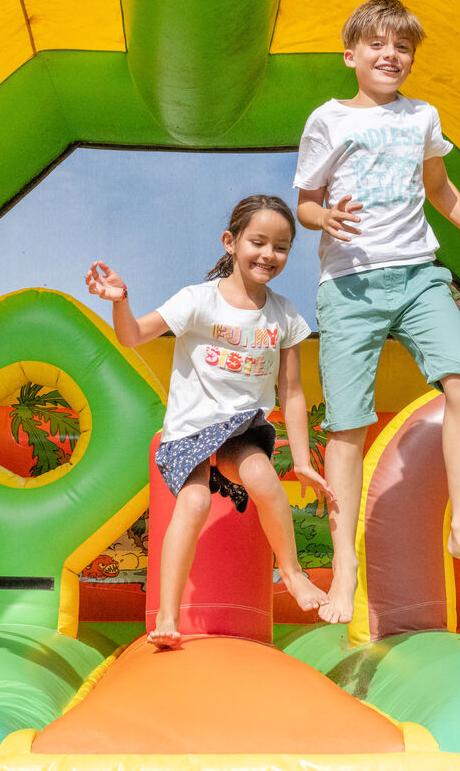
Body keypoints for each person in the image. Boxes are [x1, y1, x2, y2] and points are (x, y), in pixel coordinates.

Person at [294, 0, 460, 624]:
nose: (391, 55)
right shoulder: (329, 119)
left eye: (403, 47)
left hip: (418, 274)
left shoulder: (422, 116)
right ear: (351, 55)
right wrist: (324, 217)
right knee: (346, 427)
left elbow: (437, 185)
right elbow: (306, 202)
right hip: (350, 286)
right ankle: (343, 567)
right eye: (378, 45)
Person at [85, 194, 332, 647]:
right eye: (258, 242)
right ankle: (168, 615)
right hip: (190, 431)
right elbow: (132, 336)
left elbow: (292, 391)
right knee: (195, 503)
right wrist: (120, 301)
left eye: (281, 247)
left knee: (262, 476)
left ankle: (293, 574)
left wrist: (302, 461)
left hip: (241, 428)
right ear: (230, 242)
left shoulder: (284, 315)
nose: (269, 254)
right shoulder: (198, 301)